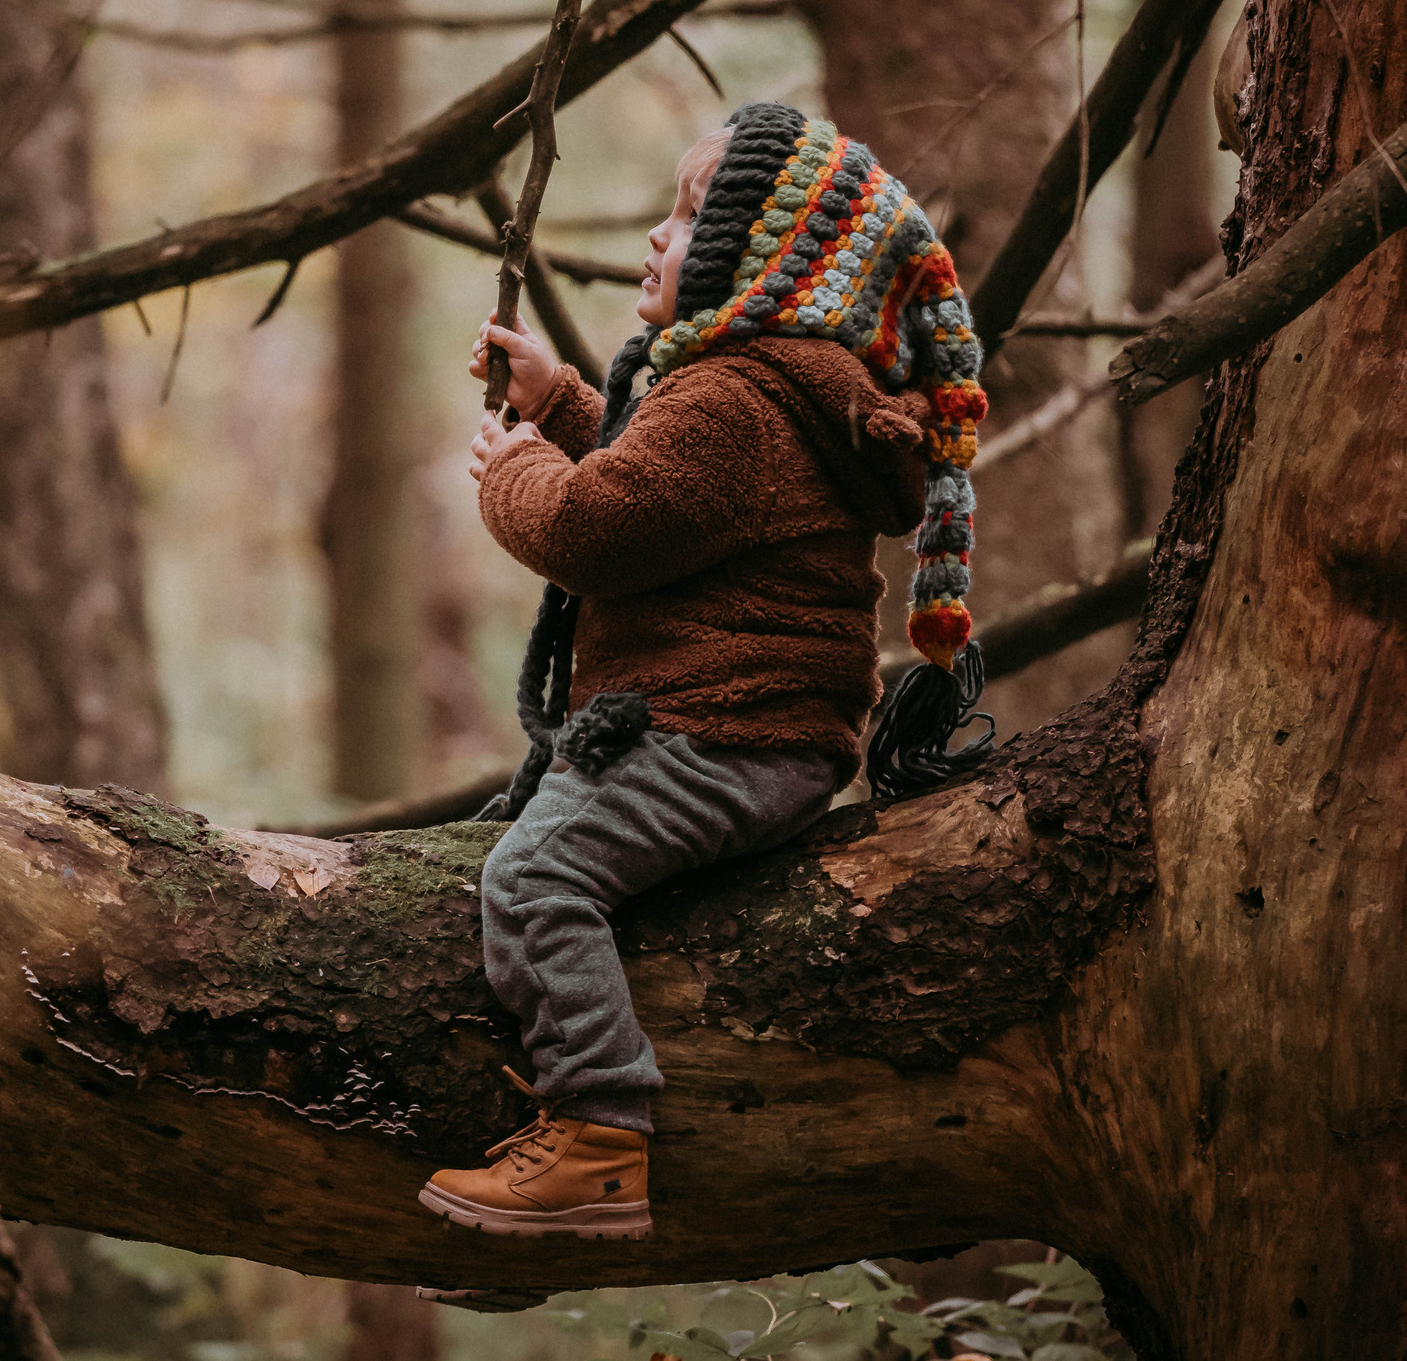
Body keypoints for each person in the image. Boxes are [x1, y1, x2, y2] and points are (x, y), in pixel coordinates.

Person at [417, 101, 988, 1241]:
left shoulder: (736, 400)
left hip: (721, 737)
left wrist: (513, 473)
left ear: (759, 270)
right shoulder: (768, 394)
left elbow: (602, 532)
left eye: (687, 221)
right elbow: (670, 494)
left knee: (532, 878)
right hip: (747, 732)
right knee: (534, 852)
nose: (655, 239)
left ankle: (596, 1132)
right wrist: (564, 403)